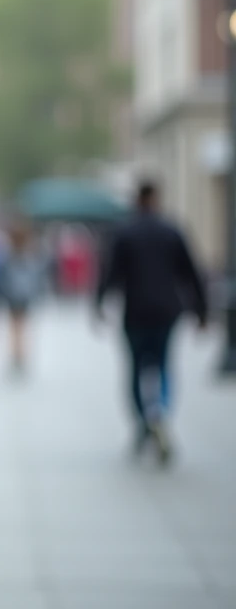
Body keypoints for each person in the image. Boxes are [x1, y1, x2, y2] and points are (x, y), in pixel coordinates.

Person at [95, 179, 208, 465]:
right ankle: (160, 411)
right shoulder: (172, 231)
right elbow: (191, 272)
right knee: (163, 365)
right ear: (157, 199)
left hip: (135, 312)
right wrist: (202, 310)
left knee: (135, 369)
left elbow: (109, 272)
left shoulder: (125, 232)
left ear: (137, 200)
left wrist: (99, 304)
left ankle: (143, 421)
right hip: (167, 312)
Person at [0, 222, 47, 375]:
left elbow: (2, 278)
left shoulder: (8, 256)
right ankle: (21, 356)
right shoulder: (30, 255)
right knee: (23, 327)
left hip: (12, 296)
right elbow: (37, 278)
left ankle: (16, 355)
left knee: (14, 328)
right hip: (25, 296)